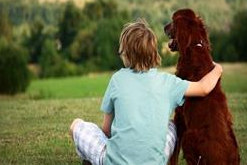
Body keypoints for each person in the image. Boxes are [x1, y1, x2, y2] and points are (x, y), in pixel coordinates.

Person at [69, 19, 223, 165]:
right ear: (153, 52)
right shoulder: (168, 82)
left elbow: (107, 131)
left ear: (126, 53)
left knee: (76, 125)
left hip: (114, 161)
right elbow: (203, 88)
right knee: (172, 127)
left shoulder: (117, 79)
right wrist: (218, 69)